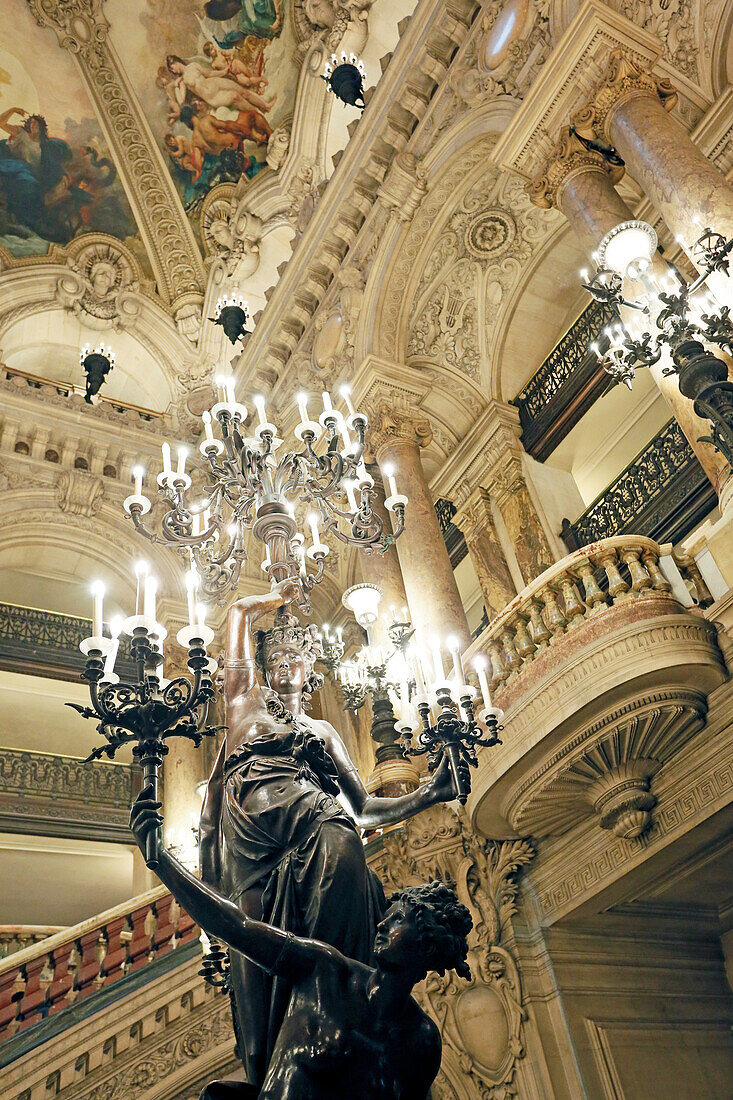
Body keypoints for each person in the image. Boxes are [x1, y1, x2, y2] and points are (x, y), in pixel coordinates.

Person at [198, 578, 462, 1089]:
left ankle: (333, 1013)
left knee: (336, 848)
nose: (280, 662)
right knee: (253, 984)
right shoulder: (244, 703)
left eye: (293, 655)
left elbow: (363, 808)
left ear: (310, 668)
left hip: (317, 829)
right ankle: (264, 1081)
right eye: (272, 654)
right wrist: (267, 602)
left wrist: (432, 791)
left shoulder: (324, 733)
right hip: (254, 844)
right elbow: (235, 616)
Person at [131, 788, 472, 1100]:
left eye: (399, 920)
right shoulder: (325, 971)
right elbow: (238, 927)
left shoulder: (421, 1039)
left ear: (428, 944)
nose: (381, 922)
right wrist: (159, 859)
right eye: (389, 914)